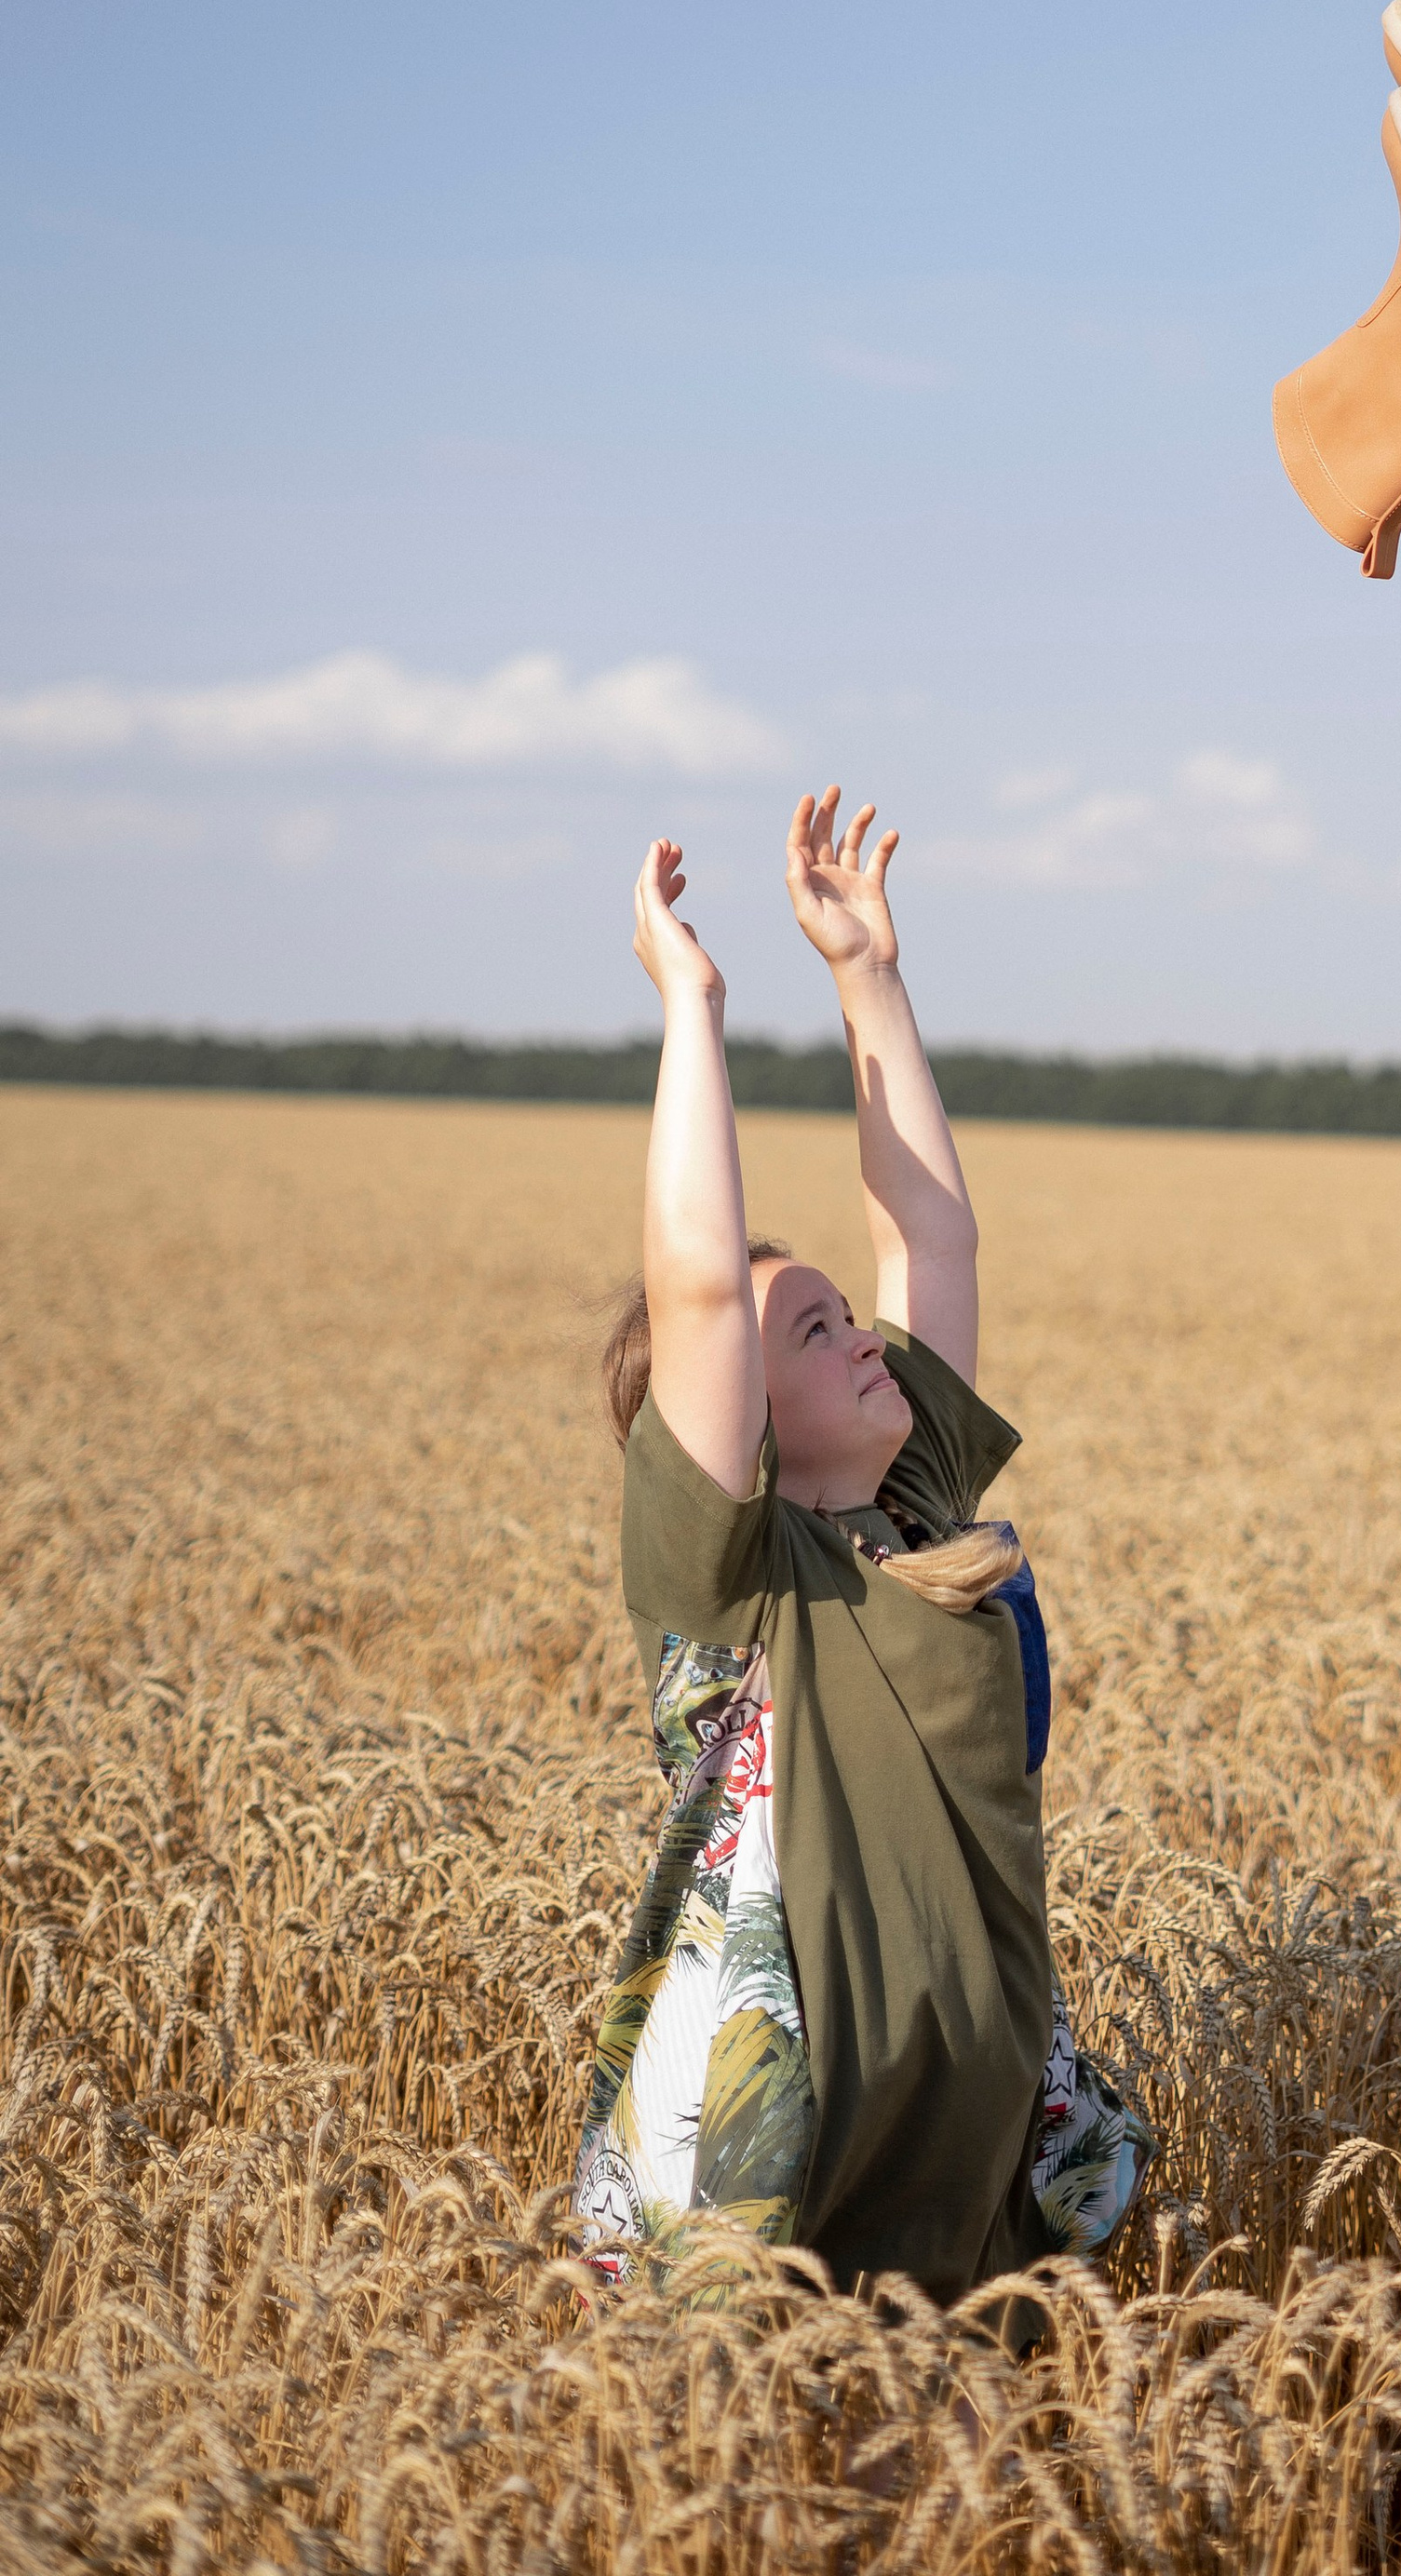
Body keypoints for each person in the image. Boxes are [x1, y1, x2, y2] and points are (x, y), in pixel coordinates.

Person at [573, 787, 1147, 2302]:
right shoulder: (739, 1585)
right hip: (783, 2165)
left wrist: (865, 978)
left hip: (977, 2153)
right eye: (817, 1332)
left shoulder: (922, 1511)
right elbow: (700, 1286)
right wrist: (693, 1007)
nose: (867, 1337)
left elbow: (936, 1239)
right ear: (742, 1432)